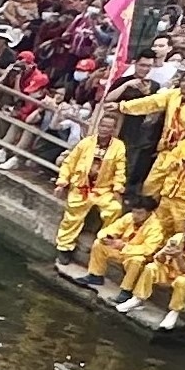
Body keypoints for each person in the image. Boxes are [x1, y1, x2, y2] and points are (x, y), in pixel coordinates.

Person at [53, 112, 129, 266]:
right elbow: (69, 163)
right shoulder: (85, 143)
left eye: (109, 127)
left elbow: (120, 170)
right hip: (81, 186)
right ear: (98, 126)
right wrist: (62, 183)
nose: (105, 129)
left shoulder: (119, 147)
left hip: (103, 189)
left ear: (114, 130)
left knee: (114, 209)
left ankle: (103, 243)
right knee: (73, 215)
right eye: (103, 125)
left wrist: (117, 189)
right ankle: (65, 247)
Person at [116, 213, 185, 329]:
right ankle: (137, 299)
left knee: (182, 281)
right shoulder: (177, 238)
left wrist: (178, 256)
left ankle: (174, 312)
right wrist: (164, 252)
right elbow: (160, 260)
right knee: (151, 268)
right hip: (171, 271)